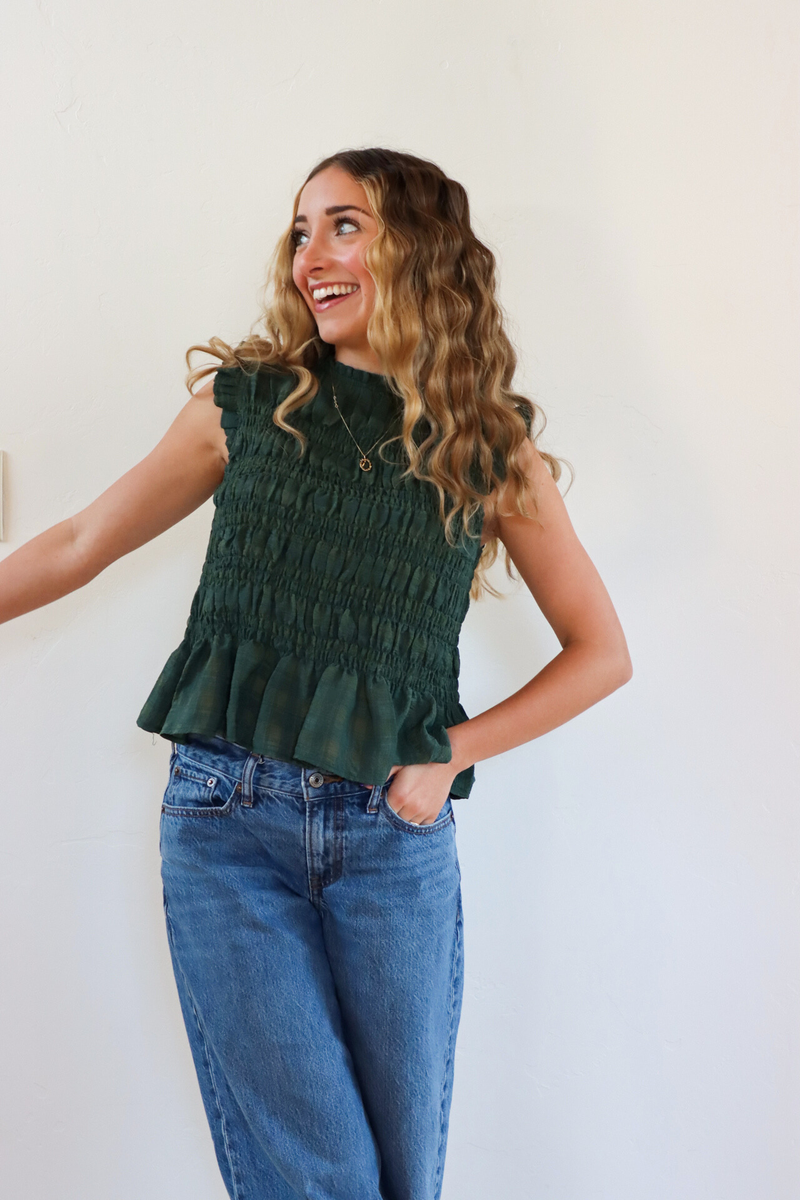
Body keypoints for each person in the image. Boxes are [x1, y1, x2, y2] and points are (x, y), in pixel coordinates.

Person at [0, 147, 632, 1200]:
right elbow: (78, 541)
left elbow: (599, 653)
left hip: (393, 839)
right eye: (300, 231)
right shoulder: (247, 405)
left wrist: (447, 758)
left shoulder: (485, 447)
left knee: (399, 1178)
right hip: (225, 829)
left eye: (343, 224)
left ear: (422, 250)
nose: (311, 255)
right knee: (318, 1180)